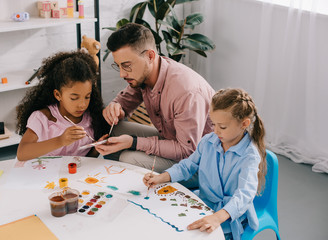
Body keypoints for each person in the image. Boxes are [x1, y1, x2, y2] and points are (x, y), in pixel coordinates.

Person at [143, 88, 267, 240]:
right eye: (213, 124)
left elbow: (245, 195)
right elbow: (188, 165)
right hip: (202, 203)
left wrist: (217, 218)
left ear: (244, 124)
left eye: (222, 127)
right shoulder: (208, 141)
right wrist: (162, 177)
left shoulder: (250, 155)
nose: (216, 131)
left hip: (228, 215)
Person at [95, 23, 215, 176]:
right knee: (113, 132)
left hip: (200, 163)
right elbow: (126, 101)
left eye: (126, 66)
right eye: (118, 66)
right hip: (172, 140)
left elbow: (187, 150)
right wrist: (115, 107)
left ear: (150, 56)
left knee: (129, 158)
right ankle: (122, 184)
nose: (122, 74)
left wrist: (134, 142)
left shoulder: (186, 92)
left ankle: (136, 189)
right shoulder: (145, 74)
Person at [16, 51, 109, 161]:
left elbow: (85, 160)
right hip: (47, 175)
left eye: (87, 96)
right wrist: (60, 141)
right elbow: (22, 153)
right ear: (58, 95)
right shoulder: (43, 118)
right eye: (74, 98)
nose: (82, 105)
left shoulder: (91, 117)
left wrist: (96, 148)